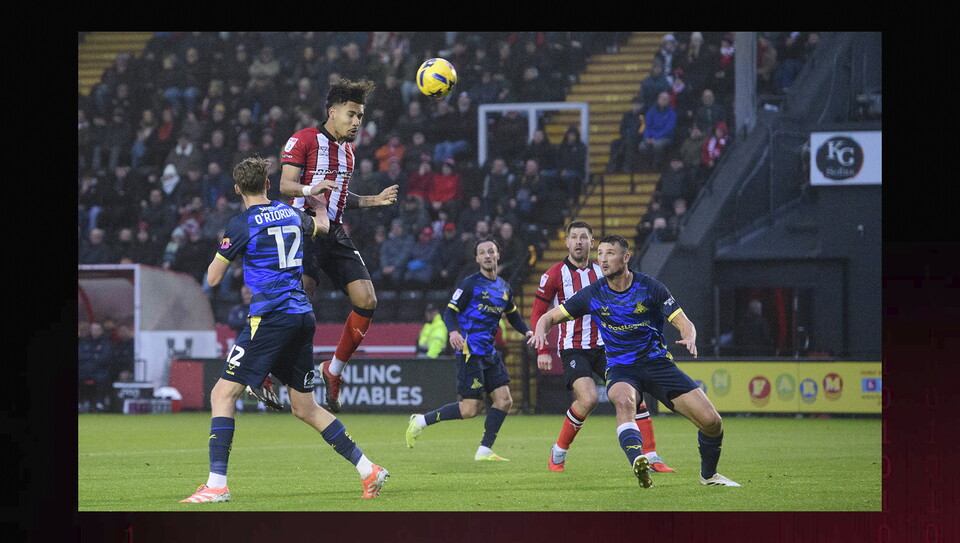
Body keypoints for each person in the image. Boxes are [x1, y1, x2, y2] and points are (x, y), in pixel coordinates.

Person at [180, 155, 388, 503]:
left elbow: (213, 278)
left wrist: (229, 255)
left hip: (270, 316)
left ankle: (217, 485)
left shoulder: (241, 224)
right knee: (305, 407)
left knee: (221, 394)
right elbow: (321, 226)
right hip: (302, 315)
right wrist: (320, 201)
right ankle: (368, 469)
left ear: (236, 189)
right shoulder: (291, 214)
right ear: (266, 184)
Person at [530, 235, 739, 488]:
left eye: (610, 254)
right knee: (624, 400)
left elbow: (684, 322)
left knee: (712, 422)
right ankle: (637, 459)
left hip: (658, 365)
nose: (603, 259)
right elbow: (549, 316)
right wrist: (541, 330)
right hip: (621, 368)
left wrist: (689, 337)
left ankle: (709, 476)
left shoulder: (650, 287)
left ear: (625, 258)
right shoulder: (593, 294)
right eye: (601, 254)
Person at [278, 77, 400, 414]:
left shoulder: (348, 151)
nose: (357, 122)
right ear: (332, 112)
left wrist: (373, 200)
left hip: (333, 232)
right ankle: (269, 370)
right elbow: (286, 185)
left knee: (367, 300)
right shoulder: (303, 140)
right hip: (302, 229)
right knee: (299, 309)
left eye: (360, 116)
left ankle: (333, 371)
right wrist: (310, 189)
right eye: (351, 114)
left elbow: (340, 201)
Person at [530, 221, 674, 473]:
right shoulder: (553, 275)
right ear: (566, 242)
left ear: (591, 242)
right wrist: (542, 349)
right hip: (573, 347)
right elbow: (539, 313)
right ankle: (559, 451)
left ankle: (651, 456)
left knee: (633, 395)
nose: (578, 242)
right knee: (589, 399)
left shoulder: (604, 272)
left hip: (608, 346)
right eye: (573, 237)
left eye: (583, 237)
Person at [405, 236, 534, 461]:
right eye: (482, 252)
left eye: (490, 251)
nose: (487, 255)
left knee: (504, 400)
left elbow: (512, 315)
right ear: (477, 258)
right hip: (469, 352)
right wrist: (454, 332)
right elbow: (449, 312)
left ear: (497, 255)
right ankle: (420, 421)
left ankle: (485, 449)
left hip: (489, 352)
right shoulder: (470, 284)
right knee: (469, 410)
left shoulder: (504, 288)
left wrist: (528, 332)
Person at [637, 91, 677, 172]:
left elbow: (669, 129)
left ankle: (657, 165)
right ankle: (647, 165)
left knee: (658, 145)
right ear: (658, 99)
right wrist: (647, 137)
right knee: (642, 146)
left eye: (667, 99)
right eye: (663, 98)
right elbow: (646, 126)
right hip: (651, 137)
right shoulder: (651, 111)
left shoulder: (671, 113)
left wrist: (656, 137)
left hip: (665, 137)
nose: (665, 100)